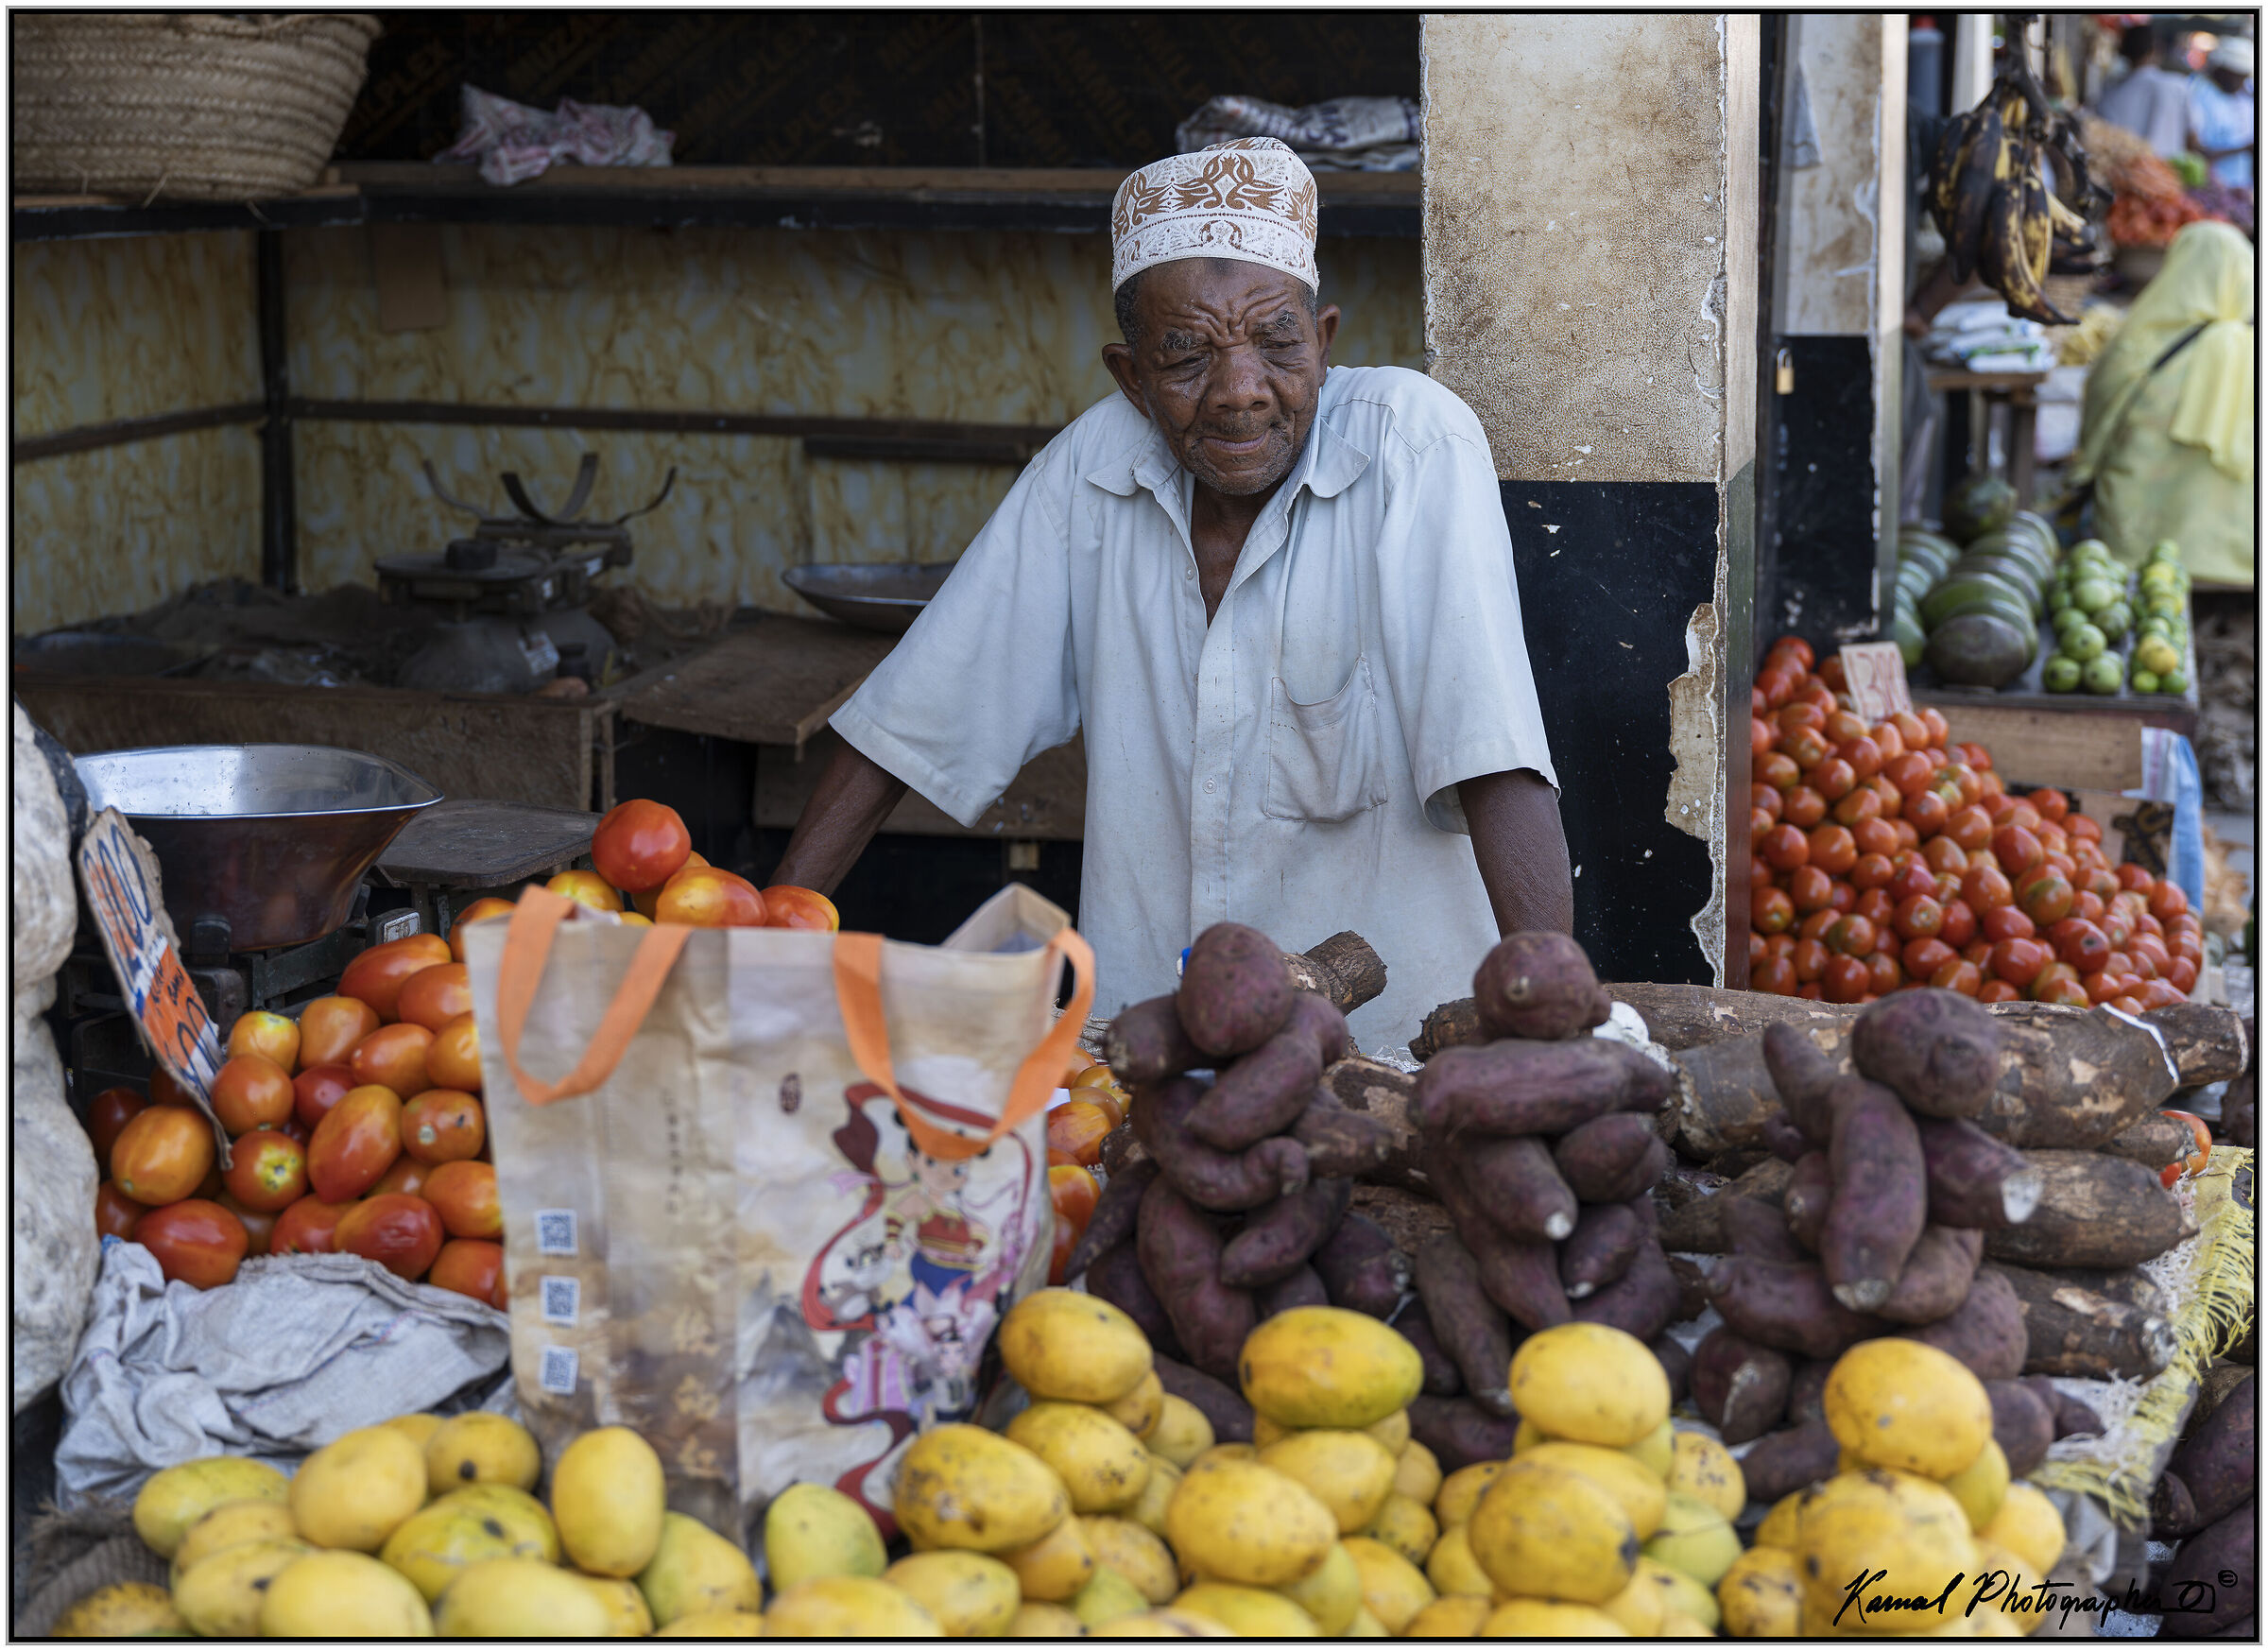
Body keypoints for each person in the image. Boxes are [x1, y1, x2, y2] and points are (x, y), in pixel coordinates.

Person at [772, 137, 1571, 1048]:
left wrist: (1551, 1031)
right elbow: (910, 724)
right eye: (1188, 356)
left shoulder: (1413, 444)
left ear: (1324, 341)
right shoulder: (1092, 470)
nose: (1240, 393)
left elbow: (1492, 750)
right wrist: (751, 944)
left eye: (1278, 344)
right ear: (1130, 377)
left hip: (1393, 1066)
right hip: (1152, 1070)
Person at [2069, 221, 2254, 588]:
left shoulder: (2137, 341)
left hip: (2131, 549)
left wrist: (2085, 465)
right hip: (2239, 558)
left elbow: (2099, 411)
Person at [2096, 24, 2191, 157]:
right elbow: (2193, 138)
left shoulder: (2110, 92)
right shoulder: (2178, 86)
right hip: (2165, 173)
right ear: (2156, 49)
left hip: (2119, 172)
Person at [2188, 37, 2255, 190]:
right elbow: (2197, 152)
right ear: (2223, 71)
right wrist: (2244, 148)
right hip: (2209, 189)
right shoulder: (2198, 94)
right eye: (2238, 77)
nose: (2241, 83)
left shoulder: (2241, 97)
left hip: (2239, 188)